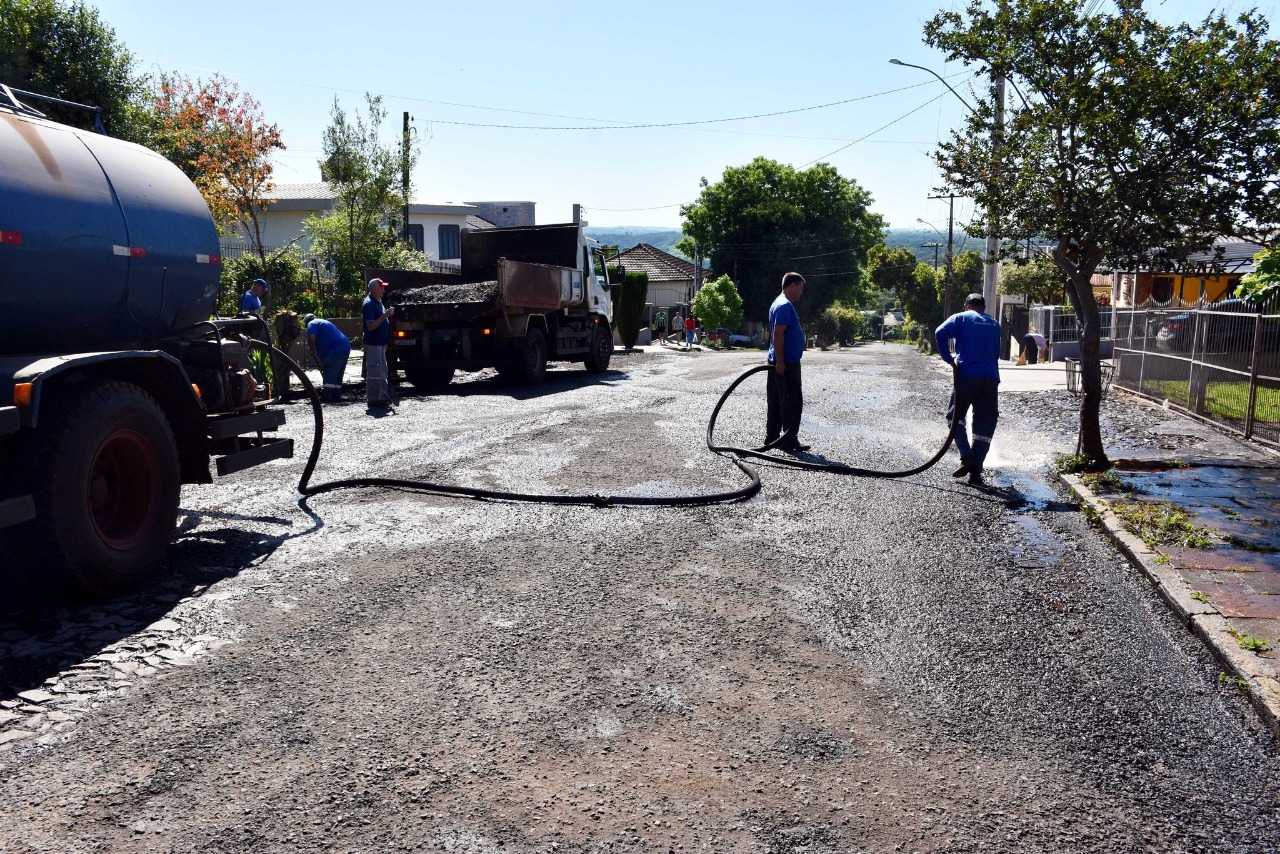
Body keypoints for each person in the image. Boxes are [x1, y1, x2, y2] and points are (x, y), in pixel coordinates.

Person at [935, 293, 1002, 485]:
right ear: (984, 307)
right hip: (991, 378)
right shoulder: (994, 323)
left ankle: (967, 457)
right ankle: (976, 472)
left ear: (966, 306)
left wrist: (948, 359)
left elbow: (940, 332)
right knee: (985, 423)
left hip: (967, 376)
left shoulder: (961, 317)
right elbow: (995, 353)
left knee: (954, 417)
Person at [765, 272, 809, 453]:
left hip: (777, 360)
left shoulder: (779, 303)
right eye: (800, 288)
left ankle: (773, 437)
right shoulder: (784, 305)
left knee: (776, 399)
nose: (801, 292)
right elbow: (778, 333)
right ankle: (788, 440)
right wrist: (781, 361)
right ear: (792, 285)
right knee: (791, 401)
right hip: (785, 362)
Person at [303, 313, 352, 402]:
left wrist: (311, 349)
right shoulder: (323, 322)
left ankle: (327, 394)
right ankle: (336, 393)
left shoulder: (312, 324)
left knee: (331, 370)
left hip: (335, 349)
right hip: (345, 346)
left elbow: (311, 336)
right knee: (338, 372)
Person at [363, 277, 395, 410]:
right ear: (373, 289)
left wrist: (385, 342)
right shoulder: (369, 304)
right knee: (375, 371)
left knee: (382, 370)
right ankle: (373, 398)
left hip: (380, 343)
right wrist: (385, 315)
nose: (383, 289)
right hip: (373, 343)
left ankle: (382, 397)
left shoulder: (377, 302)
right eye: (380, 287)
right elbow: (370, 326)